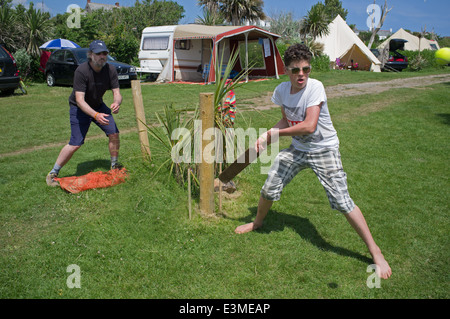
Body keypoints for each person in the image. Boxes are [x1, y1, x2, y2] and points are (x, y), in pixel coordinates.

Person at [234, 44, 392, 279]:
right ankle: (257, 222)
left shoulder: (315, 87)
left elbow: (309, 126)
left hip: (323, 149)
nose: (301, 75)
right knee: (270, 185)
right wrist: (266, 135)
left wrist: (273, 136)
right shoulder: (281, 92)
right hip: (298, 148)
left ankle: (375, 251)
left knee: (341, 200)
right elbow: (287, 121)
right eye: (296, 70)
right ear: (286, 70)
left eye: (306, 69)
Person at [46, 40, 123, 186]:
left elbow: (117, 93)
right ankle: (53, 173)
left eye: (104, 53)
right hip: (79, 108)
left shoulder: (110, 70)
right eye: (98, 53)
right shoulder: (81, 71)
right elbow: (80, 100)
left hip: (98, 105)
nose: (102, 56)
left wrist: (116, 102)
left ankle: (114, 166)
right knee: (76, 143)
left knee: (114, 133)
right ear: (90, 55)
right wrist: (95, 115)